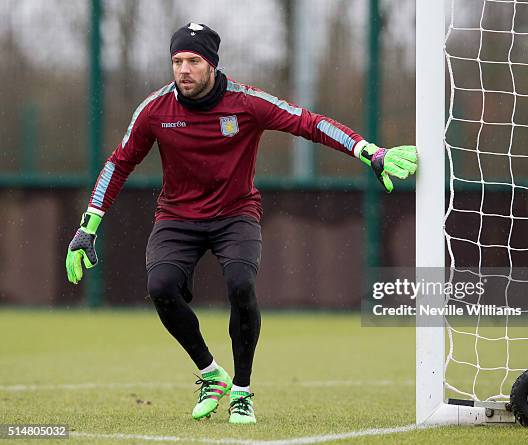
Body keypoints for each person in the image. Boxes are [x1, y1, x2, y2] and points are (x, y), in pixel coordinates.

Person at [65, 23, 417, 425]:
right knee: (160, 286)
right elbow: (118, 162)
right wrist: (87, 226)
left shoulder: (246, 103)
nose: (183, 70)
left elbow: (310, 123)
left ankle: (243, 392)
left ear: (212, 64)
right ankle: (212, 374)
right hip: (177, 217)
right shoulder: (155, 109)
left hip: (236, 215)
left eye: (193, 61)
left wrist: (368, 151)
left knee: (240, 285)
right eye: (177, 61)